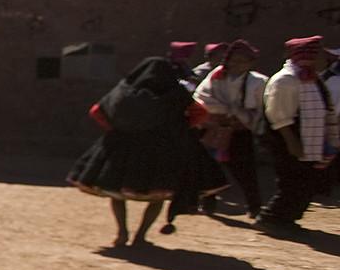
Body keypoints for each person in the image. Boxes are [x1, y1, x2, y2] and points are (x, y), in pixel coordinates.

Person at [68, 55, 224, 246]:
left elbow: (97, 111)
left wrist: (118, 127)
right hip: (162, 149)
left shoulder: (124, 91)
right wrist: (179, 128)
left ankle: (122, 233)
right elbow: (200, 113)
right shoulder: (176, 93)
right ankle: (141, 236)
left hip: (123, 148)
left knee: (115, 191)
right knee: (157, 195)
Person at [257, 37, 337, 235]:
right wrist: (292, 142)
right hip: (289, 138)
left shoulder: (311, 78)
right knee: (292, 182)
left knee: (306, 181)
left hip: (309, 140)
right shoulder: (286, 80)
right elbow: (279, 116)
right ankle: (271, 218)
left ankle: (288, 219)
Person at [192, 40, 267, 216]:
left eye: (242, 61)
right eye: (233, 60)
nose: (236, 64)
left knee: (244, 170)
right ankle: (207, 203)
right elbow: (202, 97)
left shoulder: (258, 82)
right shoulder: (217, 75)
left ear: (250, 63)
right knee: (208, 166)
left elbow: (261, 108)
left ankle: (254, 207)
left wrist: (239, 117)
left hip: (240, 131)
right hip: (214, 127)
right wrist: (225, 111)